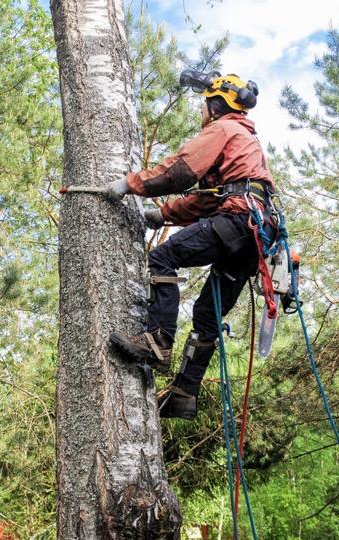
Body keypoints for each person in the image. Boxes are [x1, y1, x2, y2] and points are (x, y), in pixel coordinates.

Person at [108, 71, 276, 420]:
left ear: (214, 106)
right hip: (254, 234)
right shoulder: (244, 142)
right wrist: (164, 214)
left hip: (238, 220)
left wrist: (130, 183)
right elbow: (207, 200)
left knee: (163, 257)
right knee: (206, 314)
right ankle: (184, 393)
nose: (201, 113)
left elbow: (182, 171)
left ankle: (157, 342)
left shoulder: (224, 128)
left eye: (203, 106)